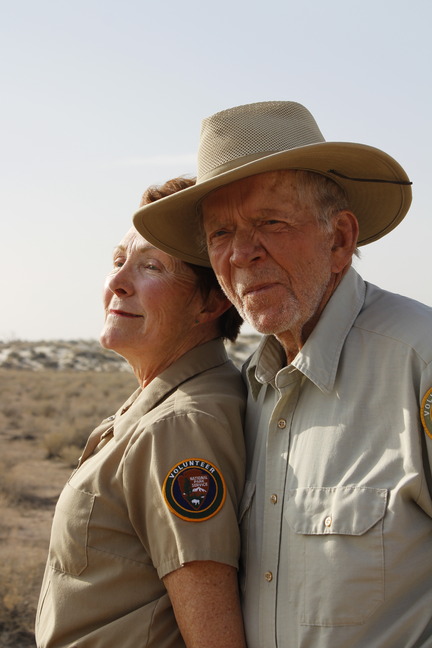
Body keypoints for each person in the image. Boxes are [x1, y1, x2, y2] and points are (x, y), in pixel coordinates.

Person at [133, 102, 432, 647]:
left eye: (270, 222)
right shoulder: (250, 389)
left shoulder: (418, 358)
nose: (243, 254)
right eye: (220, 233)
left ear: (339, 239)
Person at [35, 176, 247, 648]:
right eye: (117, 261)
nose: (116, 283)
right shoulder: (170, 404)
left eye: (151, 266)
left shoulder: (182, 425)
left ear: (211, 301)